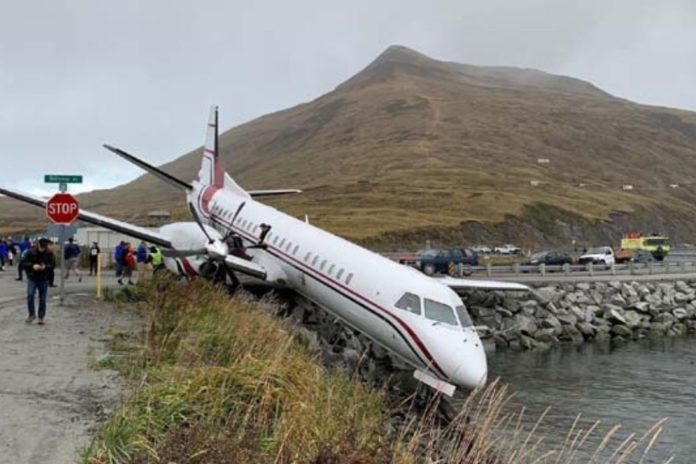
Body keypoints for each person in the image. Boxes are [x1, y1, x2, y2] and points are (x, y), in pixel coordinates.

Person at [25, 238, 55, 325]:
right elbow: (24, 263)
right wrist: (32, 266)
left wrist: (45, 267)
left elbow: (52, 265)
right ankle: (32, 314)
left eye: (44, 247)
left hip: (43, 278)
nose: (43, 249)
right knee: (30, 295)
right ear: (38, 245)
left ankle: (41, 317)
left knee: (42, 298)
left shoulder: (49, 253)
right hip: (32, 277)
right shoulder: (30, 252)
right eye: (42, 247)